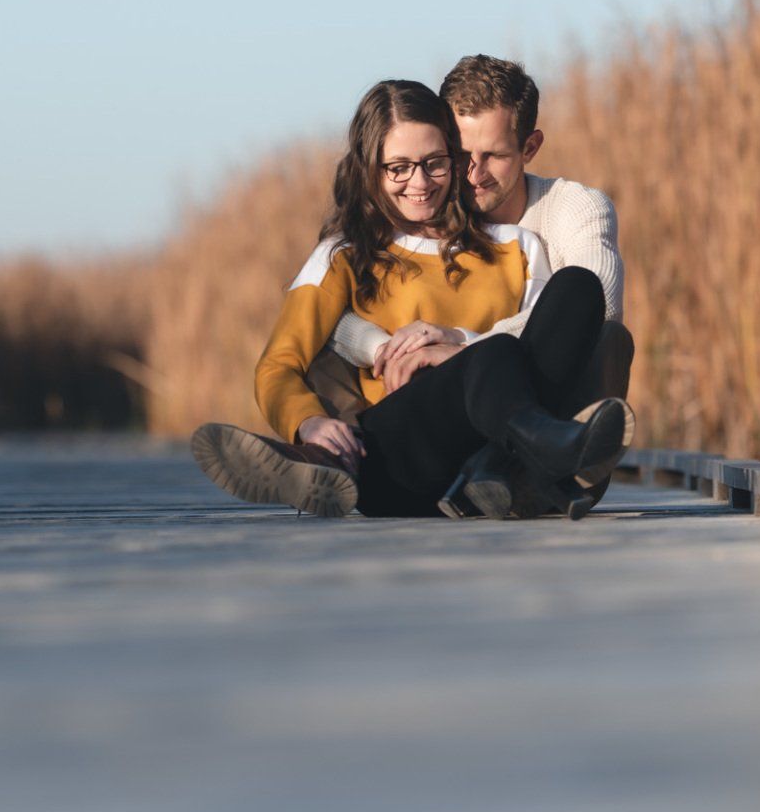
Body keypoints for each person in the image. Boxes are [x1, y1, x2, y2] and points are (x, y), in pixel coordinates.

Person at [190, 79, 629, 520]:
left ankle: (514, 464)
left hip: (486, 478)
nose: (419, 183)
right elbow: (278, 364)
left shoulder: (516, 246)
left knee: (578, 288)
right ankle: (549, 449)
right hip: (398, 462)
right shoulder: (343, 255)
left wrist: (455, 347)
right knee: (494, 353)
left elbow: (543, 349)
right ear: (370, 169)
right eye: (397, 167)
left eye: (434, 163)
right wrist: (310, 423)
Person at [307, 54, 634, 513]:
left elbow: (602, 308)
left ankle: (501, 468)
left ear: (530, 147)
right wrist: (381, 347)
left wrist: (465, 347)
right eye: (460, 156)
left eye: (495, 155)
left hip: (505, 403)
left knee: (581, 291)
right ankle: (516, 469)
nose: (474, 175)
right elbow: (322, 310)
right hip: (416, 439)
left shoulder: (572, 209)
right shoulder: (416, 203)